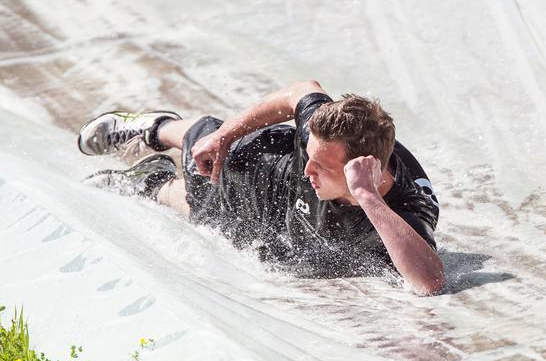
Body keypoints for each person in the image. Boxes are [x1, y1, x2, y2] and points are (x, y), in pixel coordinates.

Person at [78, 80, 444, 294]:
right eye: (311, 156)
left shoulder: (409, 207)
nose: (309, 169)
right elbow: (301, 91)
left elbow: (430, 281)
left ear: (362, 171)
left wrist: (367, 197)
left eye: (322, 165)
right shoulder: (331, 131)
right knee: (203, 151)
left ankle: (150, 180)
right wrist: (225, 134)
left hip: (281, 228)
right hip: (262, 169)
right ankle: (155, 128)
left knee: (203, 214)